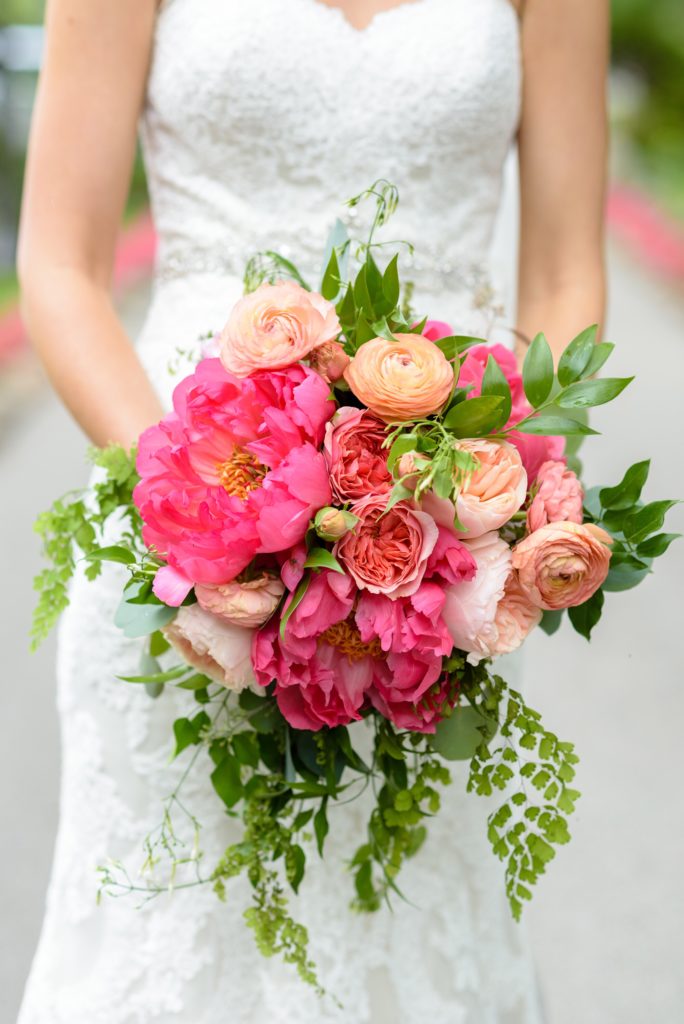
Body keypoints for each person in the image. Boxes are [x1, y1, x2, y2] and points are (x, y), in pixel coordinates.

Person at [16, 1, 609, 1021]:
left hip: (448, 546)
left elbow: (562, 270)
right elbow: (59, 266)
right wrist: (201, 519)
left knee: (415, 914)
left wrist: (497, 495)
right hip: (184, 525)